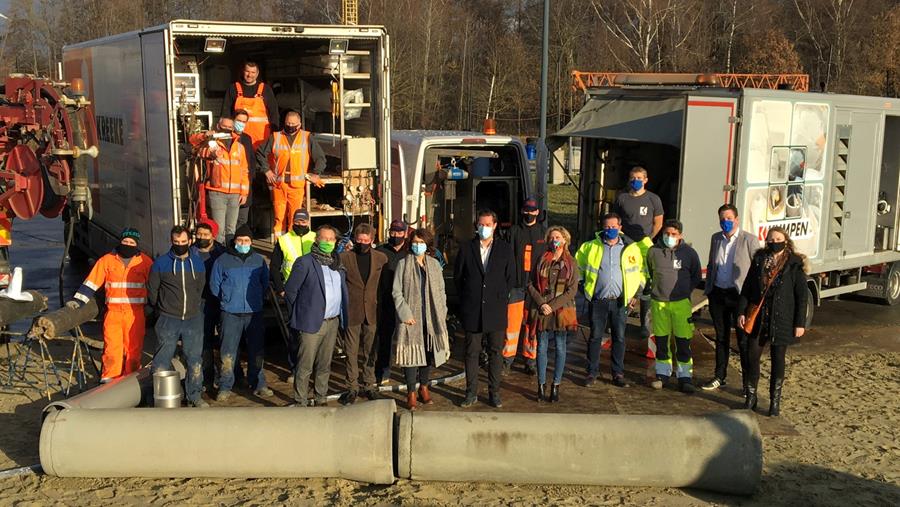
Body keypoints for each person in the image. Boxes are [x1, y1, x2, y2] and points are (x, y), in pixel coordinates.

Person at [738, 227, 808, 416]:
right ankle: (750, 397)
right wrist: (742, 311)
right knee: (752, 355)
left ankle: (774, 402)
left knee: (778, 360)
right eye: (771, 239)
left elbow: (801, 296)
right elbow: (747, 287)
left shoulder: (794, 263)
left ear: (785, 240)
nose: (774, 241)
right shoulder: (760, 259)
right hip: (760, 315)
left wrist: (799, 323)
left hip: (783, 318)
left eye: (778, 238)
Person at [70, 228, 153, 382]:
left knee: (134, 349)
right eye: (125, 241)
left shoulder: (145, 262)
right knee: (111, 348)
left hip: (135, 314)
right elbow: (92, 282)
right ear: (120, 241)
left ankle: (131, 379)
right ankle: (109, 378)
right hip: (113, 313)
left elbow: (154, 285)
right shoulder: (106, 260)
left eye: (131, 242)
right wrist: (78, 301)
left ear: (136, 244)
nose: (128, 244)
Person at [575, 213, 645, 388]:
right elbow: (577, 269)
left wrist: (635, 295)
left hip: (620, 301)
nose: (610, 230)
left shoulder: (631, 248)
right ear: (602, 228)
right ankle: (591, 372)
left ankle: (618, 373)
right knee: (595, 337)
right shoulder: (590, 247)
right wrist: (583, 288)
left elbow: (641, 273)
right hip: (598, 300)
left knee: (619, 338)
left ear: (620, 228)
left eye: (614, 227)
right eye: (607, 227)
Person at [454, 209, 515, 408]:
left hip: (495, 310)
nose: (484, 228)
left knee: (496, 352)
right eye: (481, 224)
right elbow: (458, 278)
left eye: (488, 224)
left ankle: (494, 392)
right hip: (472, 310)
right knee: (472, 352)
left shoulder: (505, 249)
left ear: (495, 225)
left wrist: (498, 296)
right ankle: (471, 392)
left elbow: (510, 278)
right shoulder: (466, 248)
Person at [284, 225, 349, 407]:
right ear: (316, 240)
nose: (328, 242)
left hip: (332, 322)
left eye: (331, 239)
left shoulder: (338, 264)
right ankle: (301, 401)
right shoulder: (305, 262)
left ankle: (321, 398)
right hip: (311, 323)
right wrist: (299, 314)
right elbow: (291, 291)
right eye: (324, 239)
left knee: (324, 364)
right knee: (305, 365)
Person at [701, 204, 761, 393]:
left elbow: (757, 269)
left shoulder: (749, 240)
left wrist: (753, 298)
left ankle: (747, 383)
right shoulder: (716, 239)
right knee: (721, 337)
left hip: (739, 296)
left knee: (743, 340)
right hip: (718, 294)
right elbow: (712, 264)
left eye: (729, 218)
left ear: (736, 219)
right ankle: (720, 376)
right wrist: (709, 288)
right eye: (722, 219)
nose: (725, 222)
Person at [209, 224, 271, 400]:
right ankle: (225, 386)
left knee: (256, 350)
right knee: (227, 351)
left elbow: (264, 283)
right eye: (240, 240)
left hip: (254, 312)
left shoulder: (258, 260)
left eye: (246, 240)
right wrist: (227, 299)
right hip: (230, 313)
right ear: (234, 241)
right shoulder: (222, 261)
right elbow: (215, 286)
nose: (243, 243)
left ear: (251, 242)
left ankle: (258, 383)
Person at [148, 225, 207, 407]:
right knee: (161, 360)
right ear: (171, 242)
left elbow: (200, 288)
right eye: (176, 242)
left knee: (194, 359)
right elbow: (153, 291)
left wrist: (193, 307)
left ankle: (194, 396)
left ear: (189, 241)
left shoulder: (197, 263)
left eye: (183, 242)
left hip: (193, 318)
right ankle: (160, 397)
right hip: (168, 318)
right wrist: (162, 309)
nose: (180, 245)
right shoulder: (160, 263)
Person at [392, 228, 450, 410]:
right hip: (411, 319)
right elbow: (397, 292)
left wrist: (442, 311)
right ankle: (411, 392)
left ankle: (424, 387)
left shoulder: (434, 265)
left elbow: (441, 291)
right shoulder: (404, 264)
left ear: (428, 244)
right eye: (415, 242)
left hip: (431, 318)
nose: (418, 246)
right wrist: (405, 314)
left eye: (421, 242)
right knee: (411, 356)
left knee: (427, 354)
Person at [647, 219, 702, 393]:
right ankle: (662, 374)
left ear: (680, 236)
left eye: (673, 234)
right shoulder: (653, 251)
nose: (669, 237)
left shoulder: (689, 253)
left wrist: (684, 290)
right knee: (662, 341)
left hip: (681, 304)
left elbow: (696, 276)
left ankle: (685, 377)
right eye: (666, 234)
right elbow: (650, 271)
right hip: (659, 303)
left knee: (683, 341)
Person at [527, 226, 579, 403]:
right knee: (541, 347)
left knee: (560, 346)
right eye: (551, 237)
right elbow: (531, 284)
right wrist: (542, 303)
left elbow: (572, 290)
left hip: (561, 310)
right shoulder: (541, 260)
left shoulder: (571, 262)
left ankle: (556, 385)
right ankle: (541, 385)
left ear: (564, 240)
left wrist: (553, 305)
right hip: (542, 309)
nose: (554, 240)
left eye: (557, 237)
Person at [338, 223, 388, 404]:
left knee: (370, 351)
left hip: (372, 311)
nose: (362, 243)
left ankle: (369, 384)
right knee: (350, 351)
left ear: (372, 240)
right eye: (359, 240)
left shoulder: (381, 258)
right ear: (354, 240)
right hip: (352, 310)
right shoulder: (344, 257)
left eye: (366, 240)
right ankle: (352, 387)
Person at [256, 111, 327, 238]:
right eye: (288, 123)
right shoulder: (276, 136)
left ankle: (292, 247)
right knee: (279, 218)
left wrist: (317, 173)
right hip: (279, 184)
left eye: (293, 124)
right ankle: (279, 247)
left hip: (297, 186)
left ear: (299, 124)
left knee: (295, 218)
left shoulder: (307, 137)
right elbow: (260, 153)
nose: (290, 126)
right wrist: (266, 170)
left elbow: (320, 158)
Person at [613, 166, 664, 341]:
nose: (636, 181)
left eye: (639, 178)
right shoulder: (622, 198)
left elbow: (658, 222)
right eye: (633, 177)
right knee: (626, 281)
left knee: (646, 284)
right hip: (626, 245)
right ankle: (620, 320)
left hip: (644, 246)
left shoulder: (653, 199)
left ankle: (645, 325)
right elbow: (616, 220)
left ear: (646, 180)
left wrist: (648, 238)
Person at [191, 117, 250, 244]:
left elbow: (244, 171)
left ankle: (229, 255)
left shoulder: (239, 147)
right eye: (225, 126)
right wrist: (205, 135)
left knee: (231, 229)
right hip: (217, 192)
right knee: (219, 229)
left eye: (230, 127)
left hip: (235, 194)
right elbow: (194, 143)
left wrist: (244, 192)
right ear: (218, 126)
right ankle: (218, 254)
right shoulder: (211, 144)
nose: (227, 129)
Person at [504, 197, 546, 376]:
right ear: (522, 211)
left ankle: (530, 360)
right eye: (526, 210)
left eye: (532, 210)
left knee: (532, 325)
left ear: (537, 212)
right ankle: (507, 359)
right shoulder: (513, 231)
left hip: (535, 288)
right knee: (511, 324)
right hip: (515, 285)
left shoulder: (543, 233)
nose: (529, 213)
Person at [193, 219, 226, 389]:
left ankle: (228, 375)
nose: (201, 237)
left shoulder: (222, 252)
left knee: (225, 339)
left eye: (205, 235)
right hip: (199, 302)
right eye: (199, 234)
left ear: (213, 236)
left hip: (219, 301)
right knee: (204, 340)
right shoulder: (190, 252)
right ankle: (207, 376)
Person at [375, 219, 409, 384]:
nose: (396, 235)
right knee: (385, 337)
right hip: (386, 300)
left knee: (407, 337)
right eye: (393, 232)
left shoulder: (410, 251)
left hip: (405, 301)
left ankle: (408, 370)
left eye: (399, 232)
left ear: (405, 233)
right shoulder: (380, 251)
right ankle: (383, 370)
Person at [220, 60, 279, 148]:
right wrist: (224, 134)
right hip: (239, 137)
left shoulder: (265, 89)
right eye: (247, 71)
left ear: (257, 73)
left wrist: (275, 135)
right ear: (243, 71)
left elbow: (274, 113)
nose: (249, 75)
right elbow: (226, 112)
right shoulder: (233, 88)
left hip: (262, 139)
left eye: (253, 72)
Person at [271, 208, 317, 296]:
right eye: (297, 222)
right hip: (291, 287)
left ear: (308, 222)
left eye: (303, 222)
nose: (300, 224)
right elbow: (274, 266)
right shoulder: (283, 240)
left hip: (313, 286)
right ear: (293, 221)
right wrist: (280, 289)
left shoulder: (316, 238)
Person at [232, 109, 259, 232]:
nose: (241, 124)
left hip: (245, 186)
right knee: (230, 222)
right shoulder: (224, 137)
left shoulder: (247, 138)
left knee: (242, 220)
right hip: (228, 188)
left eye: (244, 121)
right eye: (239, 120)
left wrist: (251, 177)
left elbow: (251, 160)